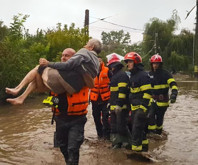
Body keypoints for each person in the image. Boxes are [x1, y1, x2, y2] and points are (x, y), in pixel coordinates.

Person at [5, 38, 102, 105]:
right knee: (36, 76)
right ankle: (21, 97)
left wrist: (48, 63)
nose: (85, 45)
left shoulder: (84, 52)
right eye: (62, 55)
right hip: (67, 92)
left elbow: (68, 65)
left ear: (91, 47)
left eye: (87, 44)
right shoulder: (97, 63)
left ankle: (17, 89)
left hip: (63, 83)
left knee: (39, 67)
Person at [124, 52, 152, 152]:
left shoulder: (143, 76)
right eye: (127, 62)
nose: (128, 64)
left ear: (136, 62)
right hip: (135, 108)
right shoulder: (133, 76)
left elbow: (148, 93)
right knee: (140, 130)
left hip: (141, 109)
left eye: (130, 61)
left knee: (136, 130)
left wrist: (143, 108)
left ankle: (136, 153)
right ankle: (144, 148)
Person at [147, 54, 178, 135]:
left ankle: (159, 133)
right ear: (151, 64)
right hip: (152, 100)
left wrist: (174, 94)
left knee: (159, 119)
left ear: (160, 64)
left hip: (162, 101)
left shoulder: (166, 74)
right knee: (151, 115)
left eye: (157, 63)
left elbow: (173, 84)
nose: (155, 65)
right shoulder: (149, 74)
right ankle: (151, 133)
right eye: (153, 63)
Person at [107, 53, 131, 149]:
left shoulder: (121, 75)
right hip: (114, 106)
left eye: (111, 66)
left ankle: (129, 143)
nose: (111, 68)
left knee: (122, 127)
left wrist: (119, 105)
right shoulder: (115, 76)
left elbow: (122, 92)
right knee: (114, 127)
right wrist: (110, 102)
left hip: (121, 107)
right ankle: (116, 144)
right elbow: (113, 93)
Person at [89, 56, 111, 139]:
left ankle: (107, 135)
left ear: (102, 62)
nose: (98, 62)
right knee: (96, 117)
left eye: (99, 61)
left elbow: (112, 81)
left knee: (105, 117)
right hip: (94, 99)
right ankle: (99, 135)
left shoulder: (107, 70)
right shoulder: (90, 71)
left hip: (105, 98)